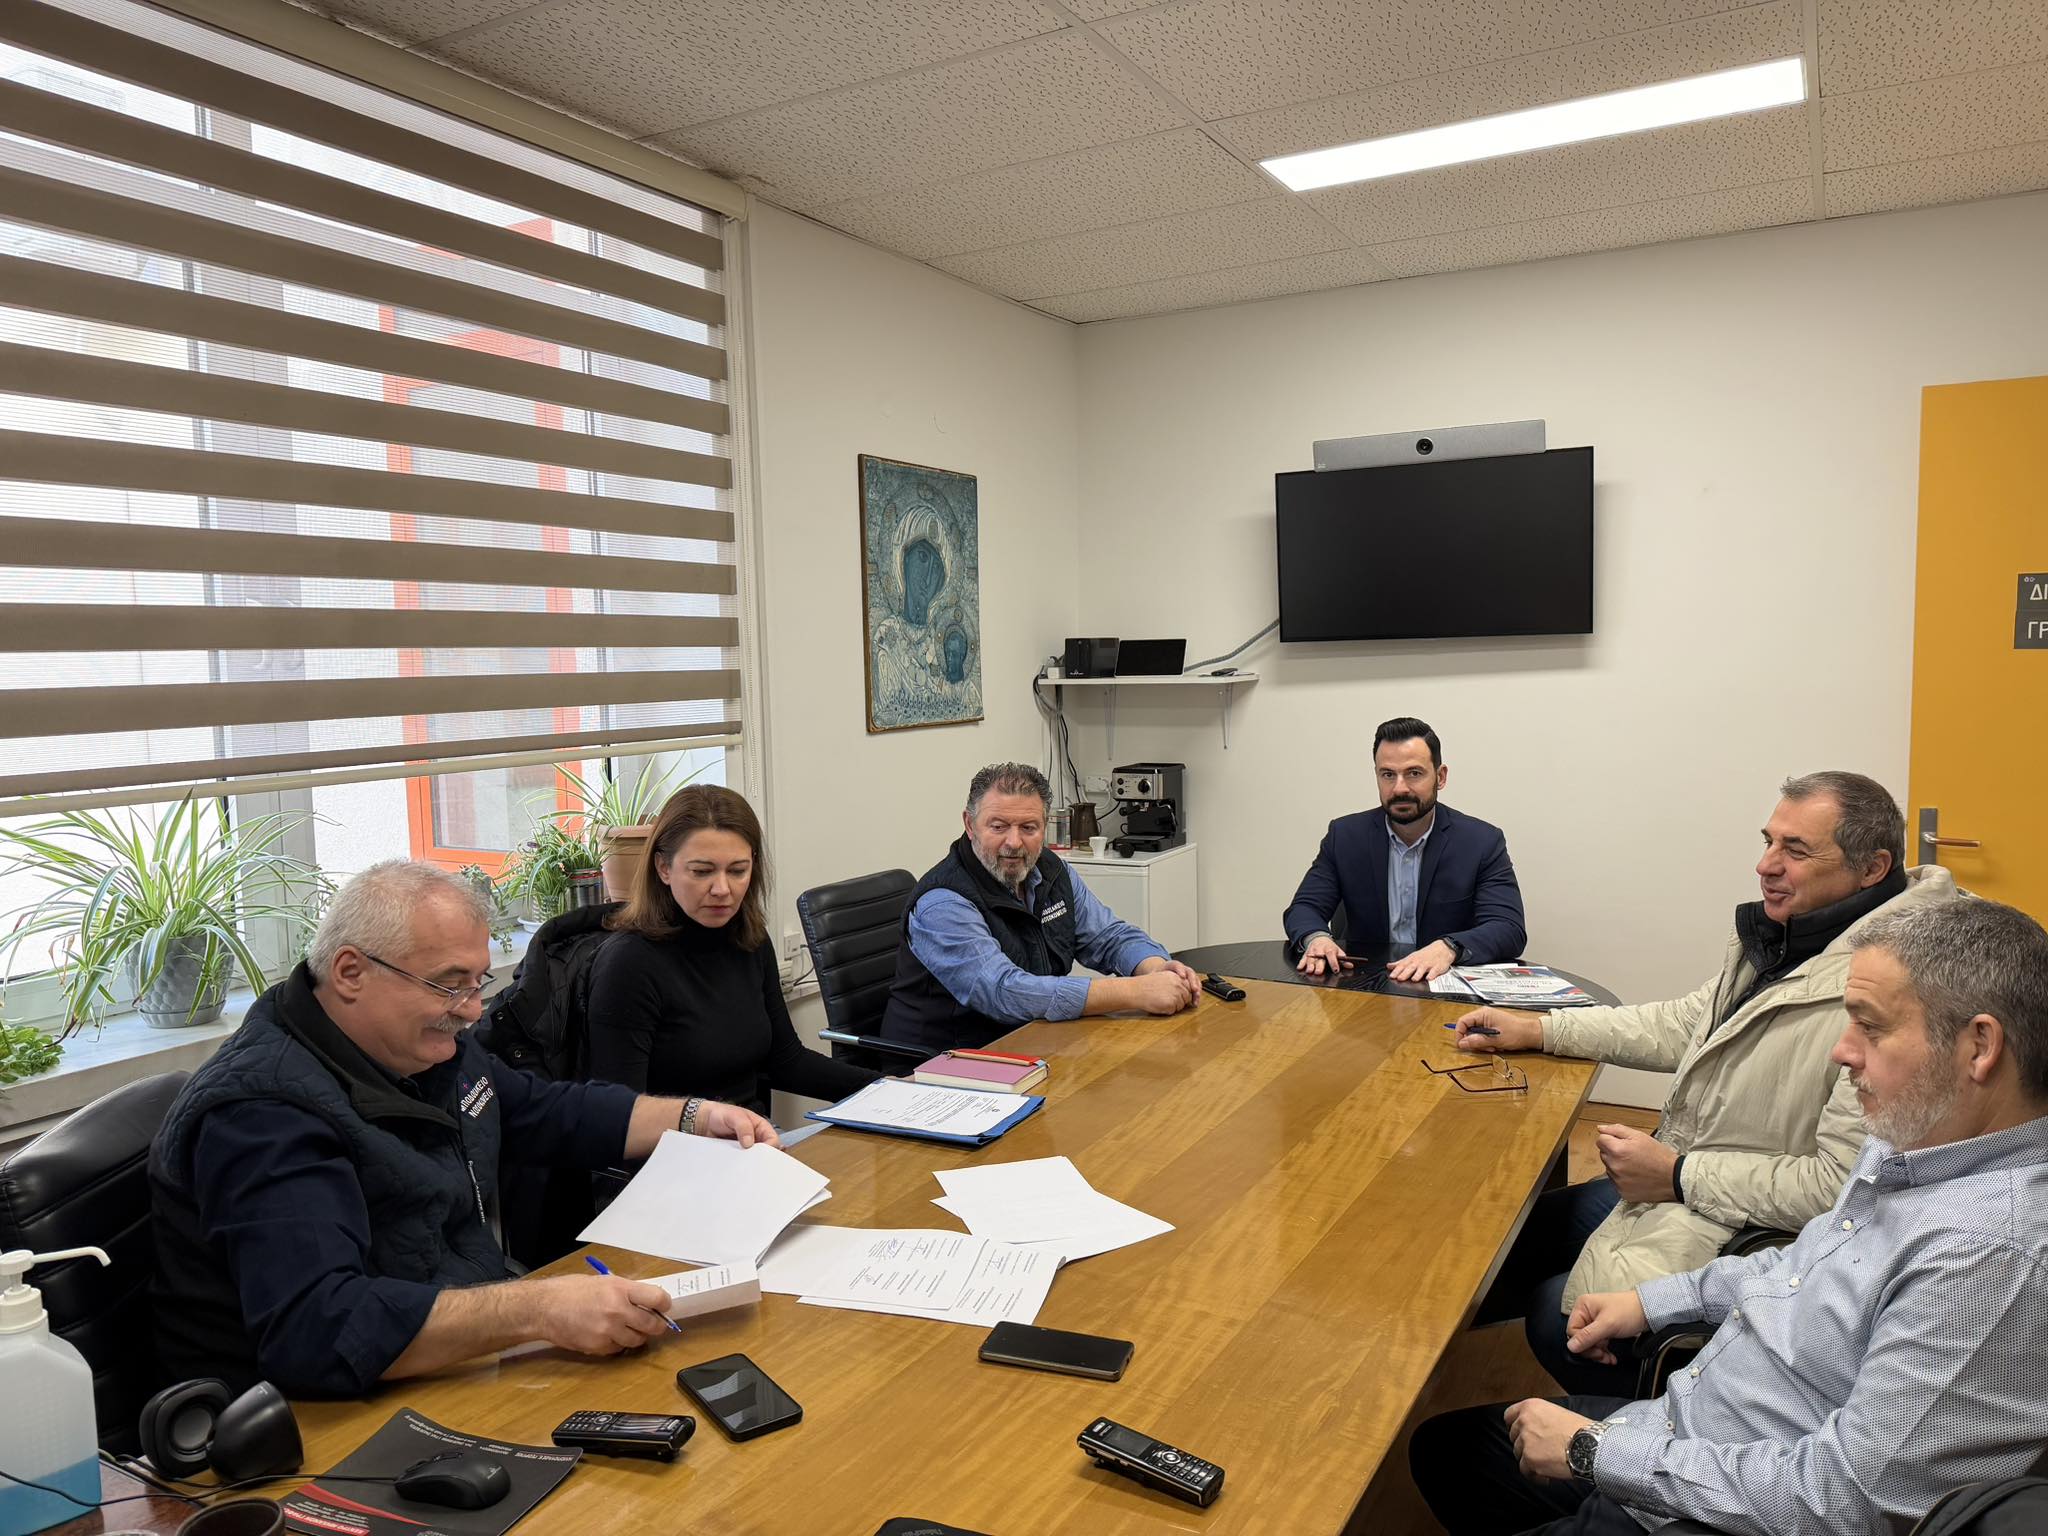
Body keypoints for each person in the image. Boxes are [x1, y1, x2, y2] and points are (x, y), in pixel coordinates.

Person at [1410, 896, 2048, 1536]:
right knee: (1447, 1453)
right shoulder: (1917, 1141)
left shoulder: (1991, 1252)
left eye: (1870, 1027)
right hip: (1690, 1431)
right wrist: (1656, 1301)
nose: (1842, 1051)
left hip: (1720, 1503)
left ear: (1979, 1046)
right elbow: (1800, 1266)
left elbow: (1846, 1502)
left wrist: (1592, 1451)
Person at [149, 860, 779, 1398]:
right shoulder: (264, 1113)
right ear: (349, 973)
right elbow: (322, 1329)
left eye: (478, 983)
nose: (473, 1010)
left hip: (456, 1357)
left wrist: (694, 1117)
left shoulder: (423, 1049)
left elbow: (542, 1111)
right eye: (448, 985)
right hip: (323, 1420)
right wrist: (538, 1308)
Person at [1454, 772, 1960, 1395]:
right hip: (1695, 1187)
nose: (1766, 866)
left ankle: (1664, 1418)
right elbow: (1687, 1024)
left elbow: (1840, 1189)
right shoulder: (1788, 936)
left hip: (1746, 1229)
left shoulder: (1897, 987)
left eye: (1796, 851)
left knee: (1552, 1315)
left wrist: (1676, 1175)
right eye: (1768, 842)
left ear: (1872, 868)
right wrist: (1541, 1029)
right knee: (1513, 1233)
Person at [585, 785, 879, 1115]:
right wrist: (707, 1124)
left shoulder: (748, 938)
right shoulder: (629, 963)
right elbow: (620, 1116)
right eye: (702, 871)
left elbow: (786, 1061)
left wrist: (888, 1087)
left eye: (738, 870)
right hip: (678, 1145)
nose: (722, 889)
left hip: (753, 1138)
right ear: (663, 868)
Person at [878, 761, 1204, 1054]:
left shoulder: (1050, 870)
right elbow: (1003, 992)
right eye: (998, 826)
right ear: (970, 824)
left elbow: (1107, 936)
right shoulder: (944, 901)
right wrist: (1133, 992)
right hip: (945, 1066)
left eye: (1028, 828)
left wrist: (1154, 968)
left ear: (1045, 826)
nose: (1014, 842)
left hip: (1033, 1044)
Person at [1283, 717, 1525, 983]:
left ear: (1440, 777)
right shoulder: (1345, 836)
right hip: (1365, 985)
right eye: (1388, 775)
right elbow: (1305, 908)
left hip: (1442, 988)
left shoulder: (1481, 842)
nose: (1399, 788)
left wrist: (1448, 948)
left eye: (1414, 773)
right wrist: (1317, 939)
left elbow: (1508, 928)